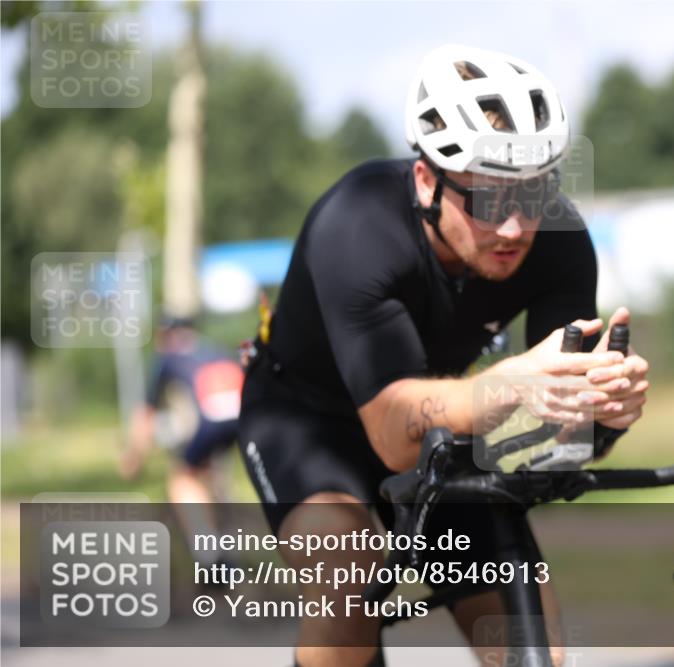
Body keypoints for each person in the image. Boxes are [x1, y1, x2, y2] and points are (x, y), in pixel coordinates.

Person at [238, 44, 650, 667]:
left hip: (447, 427)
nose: (514, 228)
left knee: (531, 643)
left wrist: (600, 414)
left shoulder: (557, 242)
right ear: (427, 180)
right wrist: (507, 387)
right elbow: (393, 438)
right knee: (347, 572)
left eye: (533, 196)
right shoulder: (358, 223)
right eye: (487, 201)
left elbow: (554, 440)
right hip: (307, 422)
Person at [120, 315, 243, 565]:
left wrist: (133, 458)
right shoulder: (215, 349)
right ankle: (227, 542)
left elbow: (145, 416)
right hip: (243, 416)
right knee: (208, 473)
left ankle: (210, 558)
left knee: (182, 479)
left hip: (211, 420)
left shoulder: (168, 357)